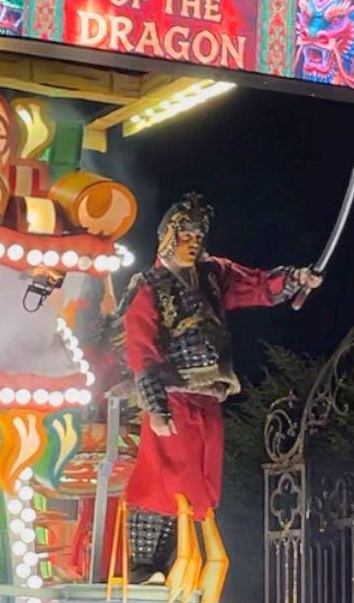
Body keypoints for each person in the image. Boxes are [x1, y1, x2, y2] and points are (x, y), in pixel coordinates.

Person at [117, 192, 322, 579]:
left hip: (210, 393)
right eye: (186, 234)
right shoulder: (148, 285)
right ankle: (146, 563)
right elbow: (140, 346)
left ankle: (185, 558)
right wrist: (154, 404)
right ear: (168, 236)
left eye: (199, 234)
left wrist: (296, 279)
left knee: (204, 481)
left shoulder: (214, 274)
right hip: (172, 393)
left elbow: (257, 284)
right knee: (165, 475)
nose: (193, 242)